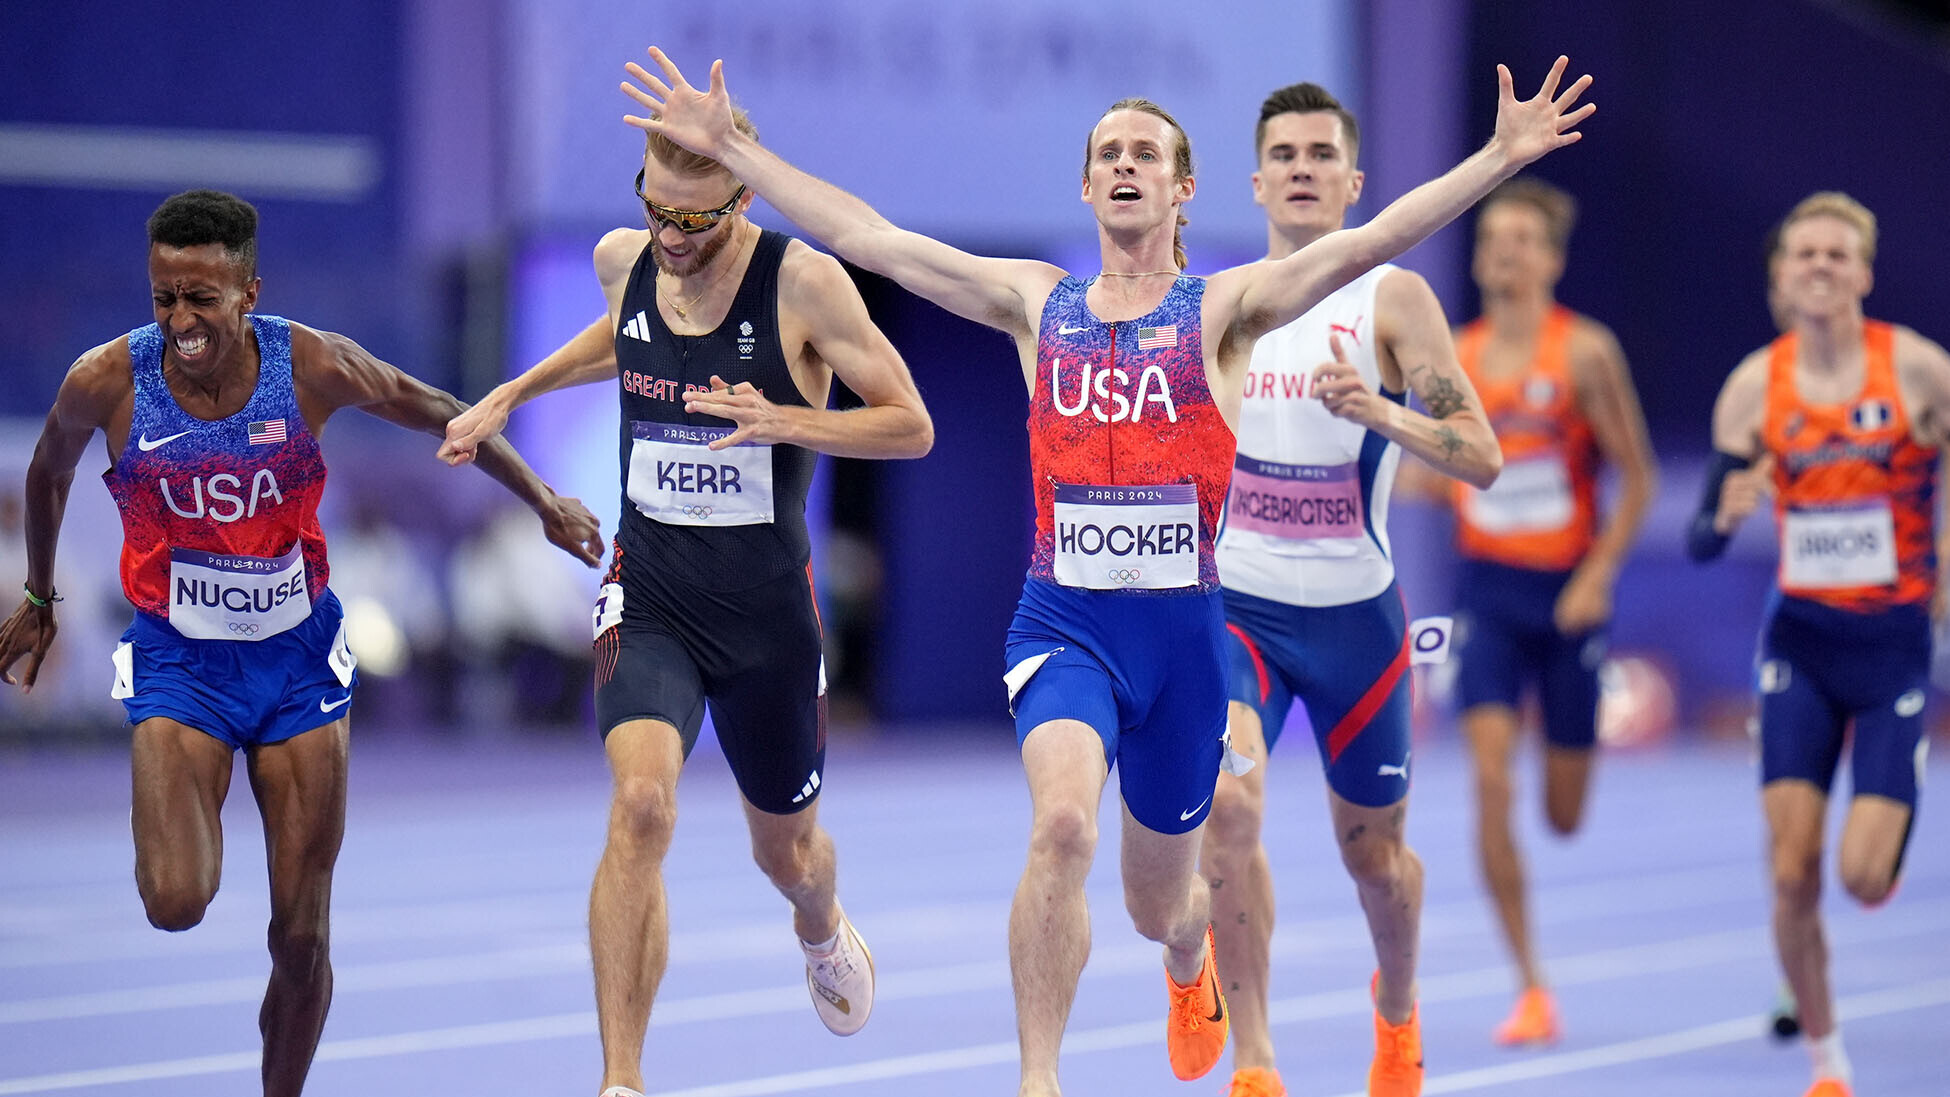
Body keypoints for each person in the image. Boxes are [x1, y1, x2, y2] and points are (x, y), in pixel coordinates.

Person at [623, 46, 1593, 1097]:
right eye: (1109, 154)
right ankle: (1039, 1077)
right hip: (1064, 624)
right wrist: (736, 152)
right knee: (1063, 822)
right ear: (1087, 186)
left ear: (1183, 189)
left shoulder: (1226, 310)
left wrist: (1496, 159)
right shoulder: (1041, 304)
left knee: (1159, 903)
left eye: (1149, 153)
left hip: (1183, 646)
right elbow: (870, 237)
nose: (1127, 164)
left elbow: (1371, 242)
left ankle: (1188, 957)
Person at [0, 190, 602, 1097]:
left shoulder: (309, 363)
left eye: (202, 298)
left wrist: (545, 500)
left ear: (250, 290)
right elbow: (47, 470)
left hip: (296, 663)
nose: (180, 320)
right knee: (174, 901)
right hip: (179, 659)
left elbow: (439, 407)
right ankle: (181, 801)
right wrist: (40, 593)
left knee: (302, 935)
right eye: (164, 297)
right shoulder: (108, 379)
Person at [437, 103, 934, 1097]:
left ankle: (820, 923)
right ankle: (623, 1076)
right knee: (643, 804)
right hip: (650, 591)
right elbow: (619, 341)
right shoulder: (630, 259)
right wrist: (511, 394)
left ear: (742, 201)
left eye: (695, 220)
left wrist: (784, 418)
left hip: (766, 617)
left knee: (788, 853)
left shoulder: (803, 283)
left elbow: (909, 423)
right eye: (657, 209)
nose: (671, 234)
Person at [1200, 82, 1501, 1097]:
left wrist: (1383, 411)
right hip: (1238, 612)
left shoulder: (1393, 300)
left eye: (1320, 154)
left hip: (1358, 627)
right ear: (1253, 181)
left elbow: (1481, 456)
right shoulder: (1221, 301)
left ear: (1354, 182)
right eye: (1282, 152)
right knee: (1228, 809)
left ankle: (1398, 1010)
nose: (1300, 167)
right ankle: (1255, 1054)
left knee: (1375, 861)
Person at [1688, 191, 1950, 1097]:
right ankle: (1827, 1063)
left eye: (1839, 254)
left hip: (1893, 651)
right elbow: (1703, 537)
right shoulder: (1756, 385)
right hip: (1799, 643)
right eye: (1806, 254)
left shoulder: (1917, 369)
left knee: (1863, 877)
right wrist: (1724, 515)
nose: (1822, 267)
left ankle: (1889, 826)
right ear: (1782, 275)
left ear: (1864, 273)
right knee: (1793, 868)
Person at [1442, 176, 1657, 1045]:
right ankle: (1531, 983)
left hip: (1568, 600)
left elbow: (1637, 477)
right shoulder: (1450, 353)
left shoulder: (1585, 354)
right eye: (1492, 235)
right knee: (1490, 781)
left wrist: (1598, 574)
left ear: (1553, 258)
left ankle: (1559, 773)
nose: (1502, 250)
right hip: (1485, 594)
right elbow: (1444, 460)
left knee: (1562, 815)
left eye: (1522, 237)